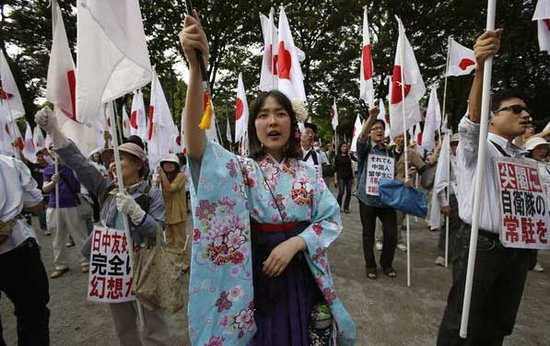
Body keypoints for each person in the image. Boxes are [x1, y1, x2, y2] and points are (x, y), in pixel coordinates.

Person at [179, 13, 355, 345]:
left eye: (280, 113)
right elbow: (195, 145)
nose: (272, 121)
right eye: (263, 115)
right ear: (254, 126)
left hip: (299, 273)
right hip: (255, 277)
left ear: (292, 124)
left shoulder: (307, 172)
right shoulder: (241, 168)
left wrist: (296, 243)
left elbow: (330, 218)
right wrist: (193, 70)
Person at [35, 108, 171, 345]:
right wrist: (55, 132)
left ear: (139, 163)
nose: (112, 164)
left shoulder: (153, 194)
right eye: (110, 160)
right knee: (123, 325)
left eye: (120, 159)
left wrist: (136, 212)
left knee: (152, 323)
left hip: (144, 262)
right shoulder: (105, 188)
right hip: (111, 263)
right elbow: (80, 165)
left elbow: (157, 232)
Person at [437, 29, 536, 345]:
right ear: (493, 118)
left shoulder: (524, 159)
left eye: (526, 110)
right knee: (461, 324)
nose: (525, 114)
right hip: (481, 247)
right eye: (515, 109)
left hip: (517, 250)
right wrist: (481, 67)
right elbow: (472, 123)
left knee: (498, 324)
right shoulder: (477, 147)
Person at [0, 153, 50, 345]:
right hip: (16, 247)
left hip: (16, 247)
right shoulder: (10, 164)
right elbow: (35, 204)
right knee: (32, 314)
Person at [356, 106, 410, 280]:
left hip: (386, 201)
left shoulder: (389, 152)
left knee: (391, 233)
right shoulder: (366, 149)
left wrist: (403, 181)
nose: (379, 130)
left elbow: (392, 175)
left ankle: (386, 264)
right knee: (368, 235)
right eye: (375, 128)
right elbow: (361, 137)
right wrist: (371, 117)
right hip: (367, 200)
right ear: (371, 132)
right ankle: (370, 266)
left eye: (381, 128)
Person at [42, 148, 90, 278]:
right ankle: (60, 265)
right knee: (57, 237)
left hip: (71, 205)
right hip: (54, 206)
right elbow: (45, 188)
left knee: (79, 235)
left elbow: (78, 183)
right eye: (53, 151)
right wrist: (53, 181)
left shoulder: (72, 168)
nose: (55, 153)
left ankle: (85, 261)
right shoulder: (48, 170)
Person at [434, 134, 461, 267]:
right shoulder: (447, 160)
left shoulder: (467, 160)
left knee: (461, 229)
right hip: (452, 198)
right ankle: (443, 253)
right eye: (455, 144)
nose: (458, 147)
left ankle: (456, 253)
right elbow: (441, 182)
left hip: (465, 199)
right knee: (449, 228)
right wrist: (444, 203)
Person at [524, 137, 549, 272]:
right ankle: (529, 259)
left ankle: (533, 259)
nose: (542, 151)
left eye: (544, 148)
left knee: (541, 231)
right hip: (532, 202)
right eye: (539, 148)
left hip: (547, 203)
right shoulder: (525, 162)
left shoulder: (546, 165)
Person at [156, 154, 187, 248]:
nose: (168, 165)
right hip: (167, 211)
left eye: (171, 163)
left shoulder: (180, 176)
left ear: (176, 165)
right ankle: (172, 259)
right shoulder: (164, 176)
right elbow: (156, 192)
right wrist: (157, 181)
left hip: (178, 213)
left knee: (179, 241)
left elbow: (170, 188)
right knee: (169, 240)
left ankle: (181, 260)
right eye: (166, 163)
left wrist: (162, 175)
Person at [333, 143, 354, 213]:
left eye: (345, 147)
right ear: (340, 148)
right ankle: (338, 207)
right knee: (341, 192)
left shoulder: (349, 156)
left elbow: (353, 165)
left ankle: (346, 207)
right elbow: (335, 169)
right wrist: (335, 180)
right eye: (343, 146)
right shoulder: (337, 157)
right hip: (341, 177)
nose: (344, 148)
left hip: (349, 177)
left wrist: (353, 177)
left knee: (349, 192)